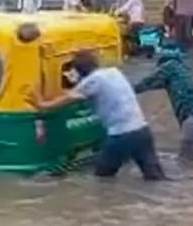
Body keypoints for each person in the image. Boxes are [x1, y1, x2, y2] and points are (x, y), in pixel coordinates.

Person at [26, 50, 165, 180]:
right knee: (155, 177)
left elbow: (68, 98)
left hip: (121, 136)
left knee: (102, 179)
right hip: (142, 131)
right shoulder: (114, 72)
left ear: (78, 71)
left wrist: (41, 104)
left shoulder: (92, 81)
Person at [132, 45, 193, 161]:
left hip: (191, 121)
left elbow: (146, 84)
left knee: (186, 163)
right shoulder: (186, 71)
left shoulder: (168, 68)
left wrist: (126, 89)